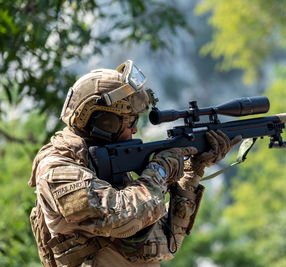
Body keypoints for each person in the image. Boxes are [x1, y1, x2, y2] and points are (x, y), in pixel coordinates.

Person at [28, 60, 241, 267]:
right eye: (130, 121)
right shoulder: (57, 169)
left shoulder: (109, 168)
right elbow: (118, 217)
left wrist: (192, 171)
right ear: (105, 122)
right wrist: (159, 170)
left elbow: (166, 244)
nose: (134, 130)